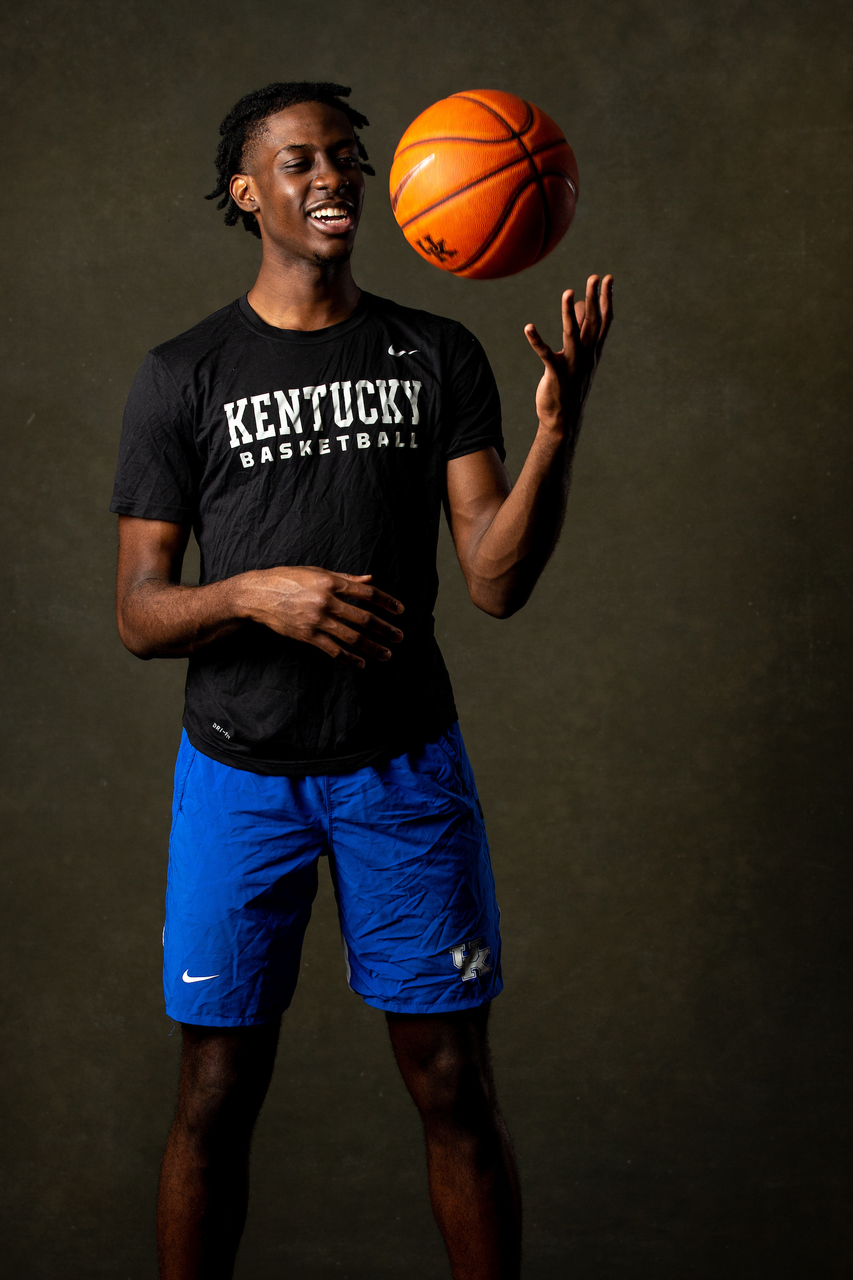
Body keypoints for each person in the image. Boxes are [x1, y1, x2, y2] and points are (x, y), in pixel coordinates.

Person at [111, 80, 613, 1280]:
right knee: (217, 1086)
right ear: (249, 193)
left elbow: (494, 577)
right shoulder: (183, 373)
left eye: (346, 158)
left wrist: (559, 428)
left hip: (401, 767)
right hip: (240, 773)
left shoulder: (436, 351)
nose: (332, 177)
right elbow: (138, 611)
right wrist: (249, 593)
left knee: (452, 1080)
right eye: (299, 163)